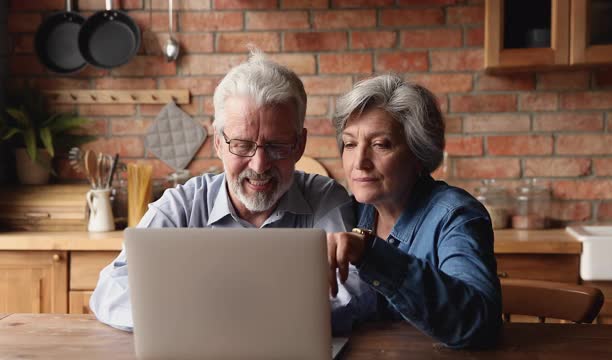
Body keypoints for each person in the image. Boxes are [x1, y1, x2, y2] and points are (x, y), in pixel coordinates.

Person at [90, 49, 375, 333]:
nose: (260, 165)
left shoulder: (326, 200)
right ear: (218, 143)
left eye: (277, 146)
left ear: (299, 145)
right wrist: (196, 319)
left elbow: (355, 293)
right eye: (242, 144)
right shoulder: (182, 205)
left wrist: (243, 320)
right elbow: (110, 289)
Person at [326, 74, 502, 348]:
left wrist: (371, 253)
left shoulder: (455, 216)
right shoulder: (349, 210)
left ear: (419, 153)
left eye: (380, 144)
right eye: (350, 144)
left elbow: (477, 323)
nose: (359, 162)